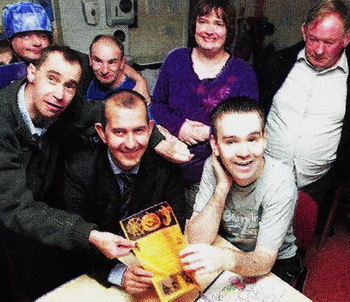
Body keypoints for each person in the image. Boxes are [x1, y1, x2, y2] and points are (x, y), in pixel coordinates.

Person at [0, 45, 135, 300]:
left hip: (43, 211)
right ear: (31, 73)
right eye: (52, 79)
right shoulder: (2, 121)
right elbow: (17, 208)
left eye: (70, 85)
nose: (59, 94)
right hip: (13, 213)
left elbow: (106, 113)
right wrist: (89, 235)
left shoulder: (65, 104)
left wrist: (159, 138)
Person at [64, 90, 186, 294]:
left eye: (138, 131)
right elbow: (76, 240)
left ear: (150, 130)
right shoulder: (79, 170)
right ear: (102, 133)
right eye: (119, 132)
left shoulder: (165, 168)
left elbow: (175, 227)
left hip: (150, 265)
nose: (130, 144)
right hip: (96, 273)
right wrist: (116, 273)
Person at [180, 97, 302, 284]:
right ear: (215, 145)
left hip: (275, 262)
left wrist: (225, 259)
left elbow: (264, 261)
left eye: (252, 139)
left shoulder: (280, 180)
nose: (244, 153)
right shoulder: (213, 167)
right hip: (228, 249)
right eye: (231, 142)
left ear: (265, 139)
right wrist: (221, 188)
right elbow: (197, 238)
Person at [152, 0, 258, 213]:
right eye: (203, 21)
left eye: (218, 23)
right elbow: (157, 106)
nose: (209, 30)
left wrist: (210, 133)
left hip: (214, 175)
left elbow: (249, 129)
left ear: (229, 31)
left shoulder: (243, 73)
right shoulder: (175, 60)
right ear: (194, 26)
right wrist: (180, 126)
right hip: (165, 167)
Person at [260, 0, 350, 229]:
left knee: (296, 248)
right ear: (304, 31)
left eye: (329, 42)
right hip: (262, 175)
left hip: (317, 184)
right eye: (313, 39)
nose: (319, 50)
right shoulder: (278, 62)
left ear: (346, 39)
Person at [2, 1, 147, 97]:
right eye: (26, 36)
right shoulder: (6, 69)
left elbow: (105, 64)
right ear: (10, 39)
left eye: (42, 35)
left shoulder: (68, 60)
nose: (36, 42)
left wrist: (140, 81)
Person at [87, 34, 150, 105]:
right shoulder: (86, 75)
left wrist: (141, 80)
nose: (104, 71)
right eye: (98, 61)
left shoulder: (134, 93)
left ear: (122, 63)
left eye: (112, 62)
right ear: (90, 59)